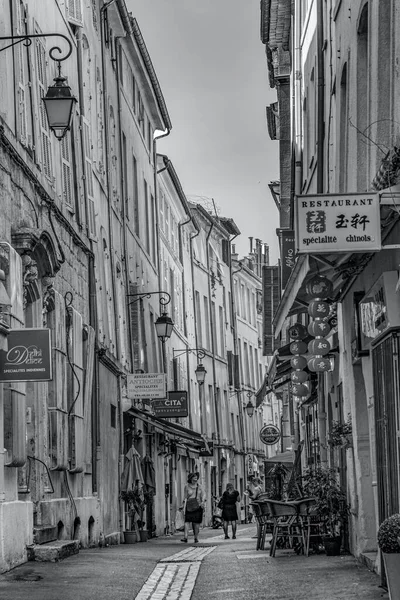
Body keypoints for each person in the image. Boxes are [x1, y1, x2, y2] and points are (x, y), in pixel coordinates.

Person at [181, 472, 205, 543]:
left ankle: (196, 537)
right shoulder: (187, 486)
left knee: (196, 523)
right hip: (189, 506)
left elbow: (203, 495)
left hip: (198, 505)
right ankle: (185, 537)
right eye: (194, 478)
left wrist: (203, 501)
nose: (195, 480)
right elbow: (185, 496)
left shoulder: (200, 486)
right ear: (190, 479)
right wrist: (182, 505)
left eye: (196, 479)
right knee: (187, 521)